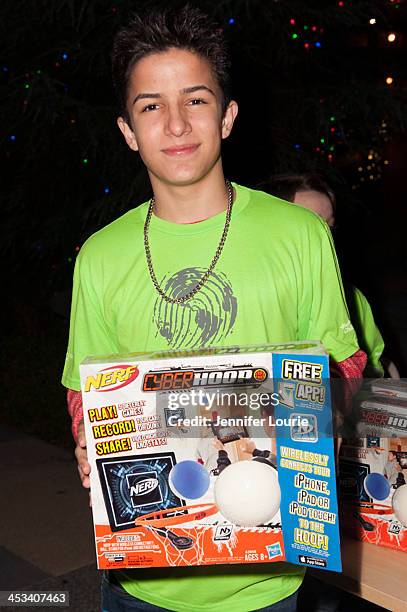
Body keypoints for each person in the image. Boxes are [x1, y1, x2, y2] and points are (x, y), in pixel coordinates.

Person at [62, 7, 366, 611]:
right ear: (128, 130)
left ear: (226, 116)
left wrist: (318, 418)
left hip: (268, 575)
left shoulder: (299, 234)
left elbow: (347, 361)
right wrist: (85, 439)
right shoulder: (98, 257)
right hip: (144, 574)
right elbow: (82, 386)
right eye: (151, 106)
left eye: (195, 100)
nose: (176, 124)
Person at [260, 173, 385, 377]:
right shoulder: (250, 294)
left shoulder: (351, 297)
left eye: (329, 227)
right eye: (310, 226)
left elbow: (374, 366)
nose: (323, 239)